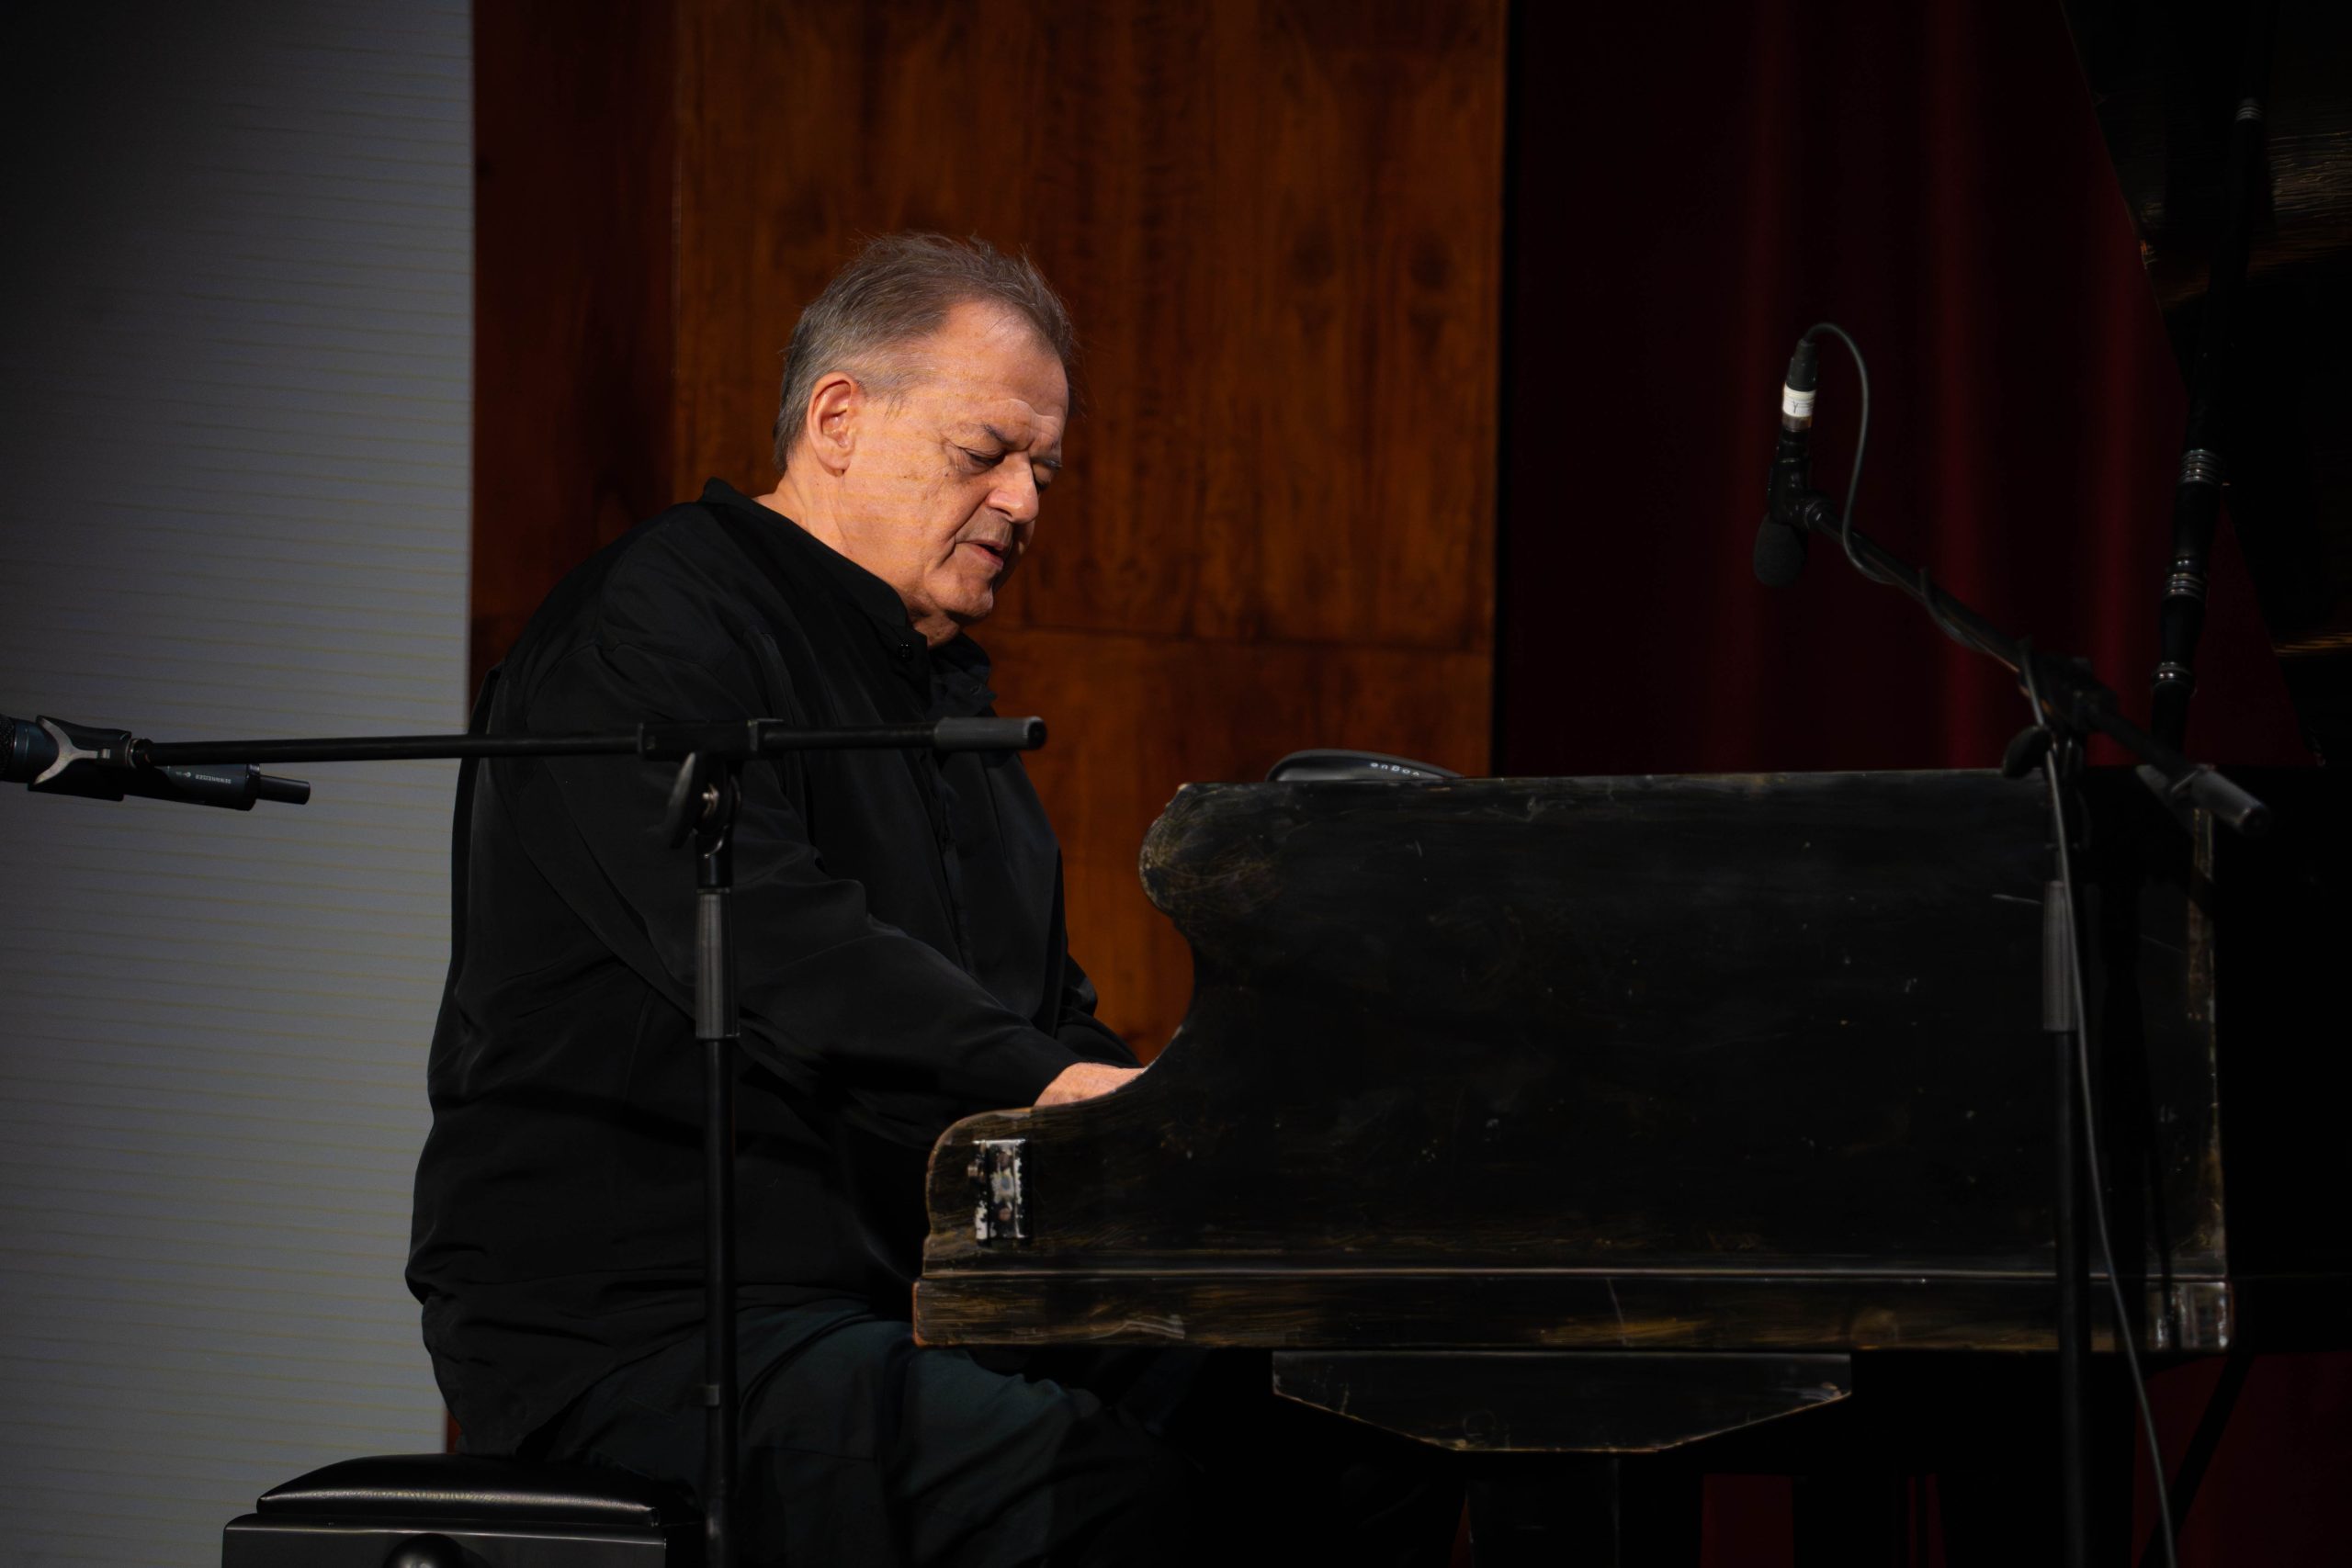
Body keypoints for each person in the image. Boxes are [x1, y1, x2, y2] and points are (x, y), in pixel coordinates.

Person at [407, 233, 1455, 1565]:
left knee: (1364, 1424)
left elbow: (1039, 1014)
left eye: (1044, 471)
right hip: (660, 1325)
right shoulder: (651, 625)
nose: (1023, 502)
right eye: (987, 453)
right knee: (1099, 1498)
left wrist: (1188, 1134)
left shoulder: (942, 697)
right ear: (838, 418)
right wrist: (1058, 1088)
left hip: (931, 1298)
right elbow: (780, 946)